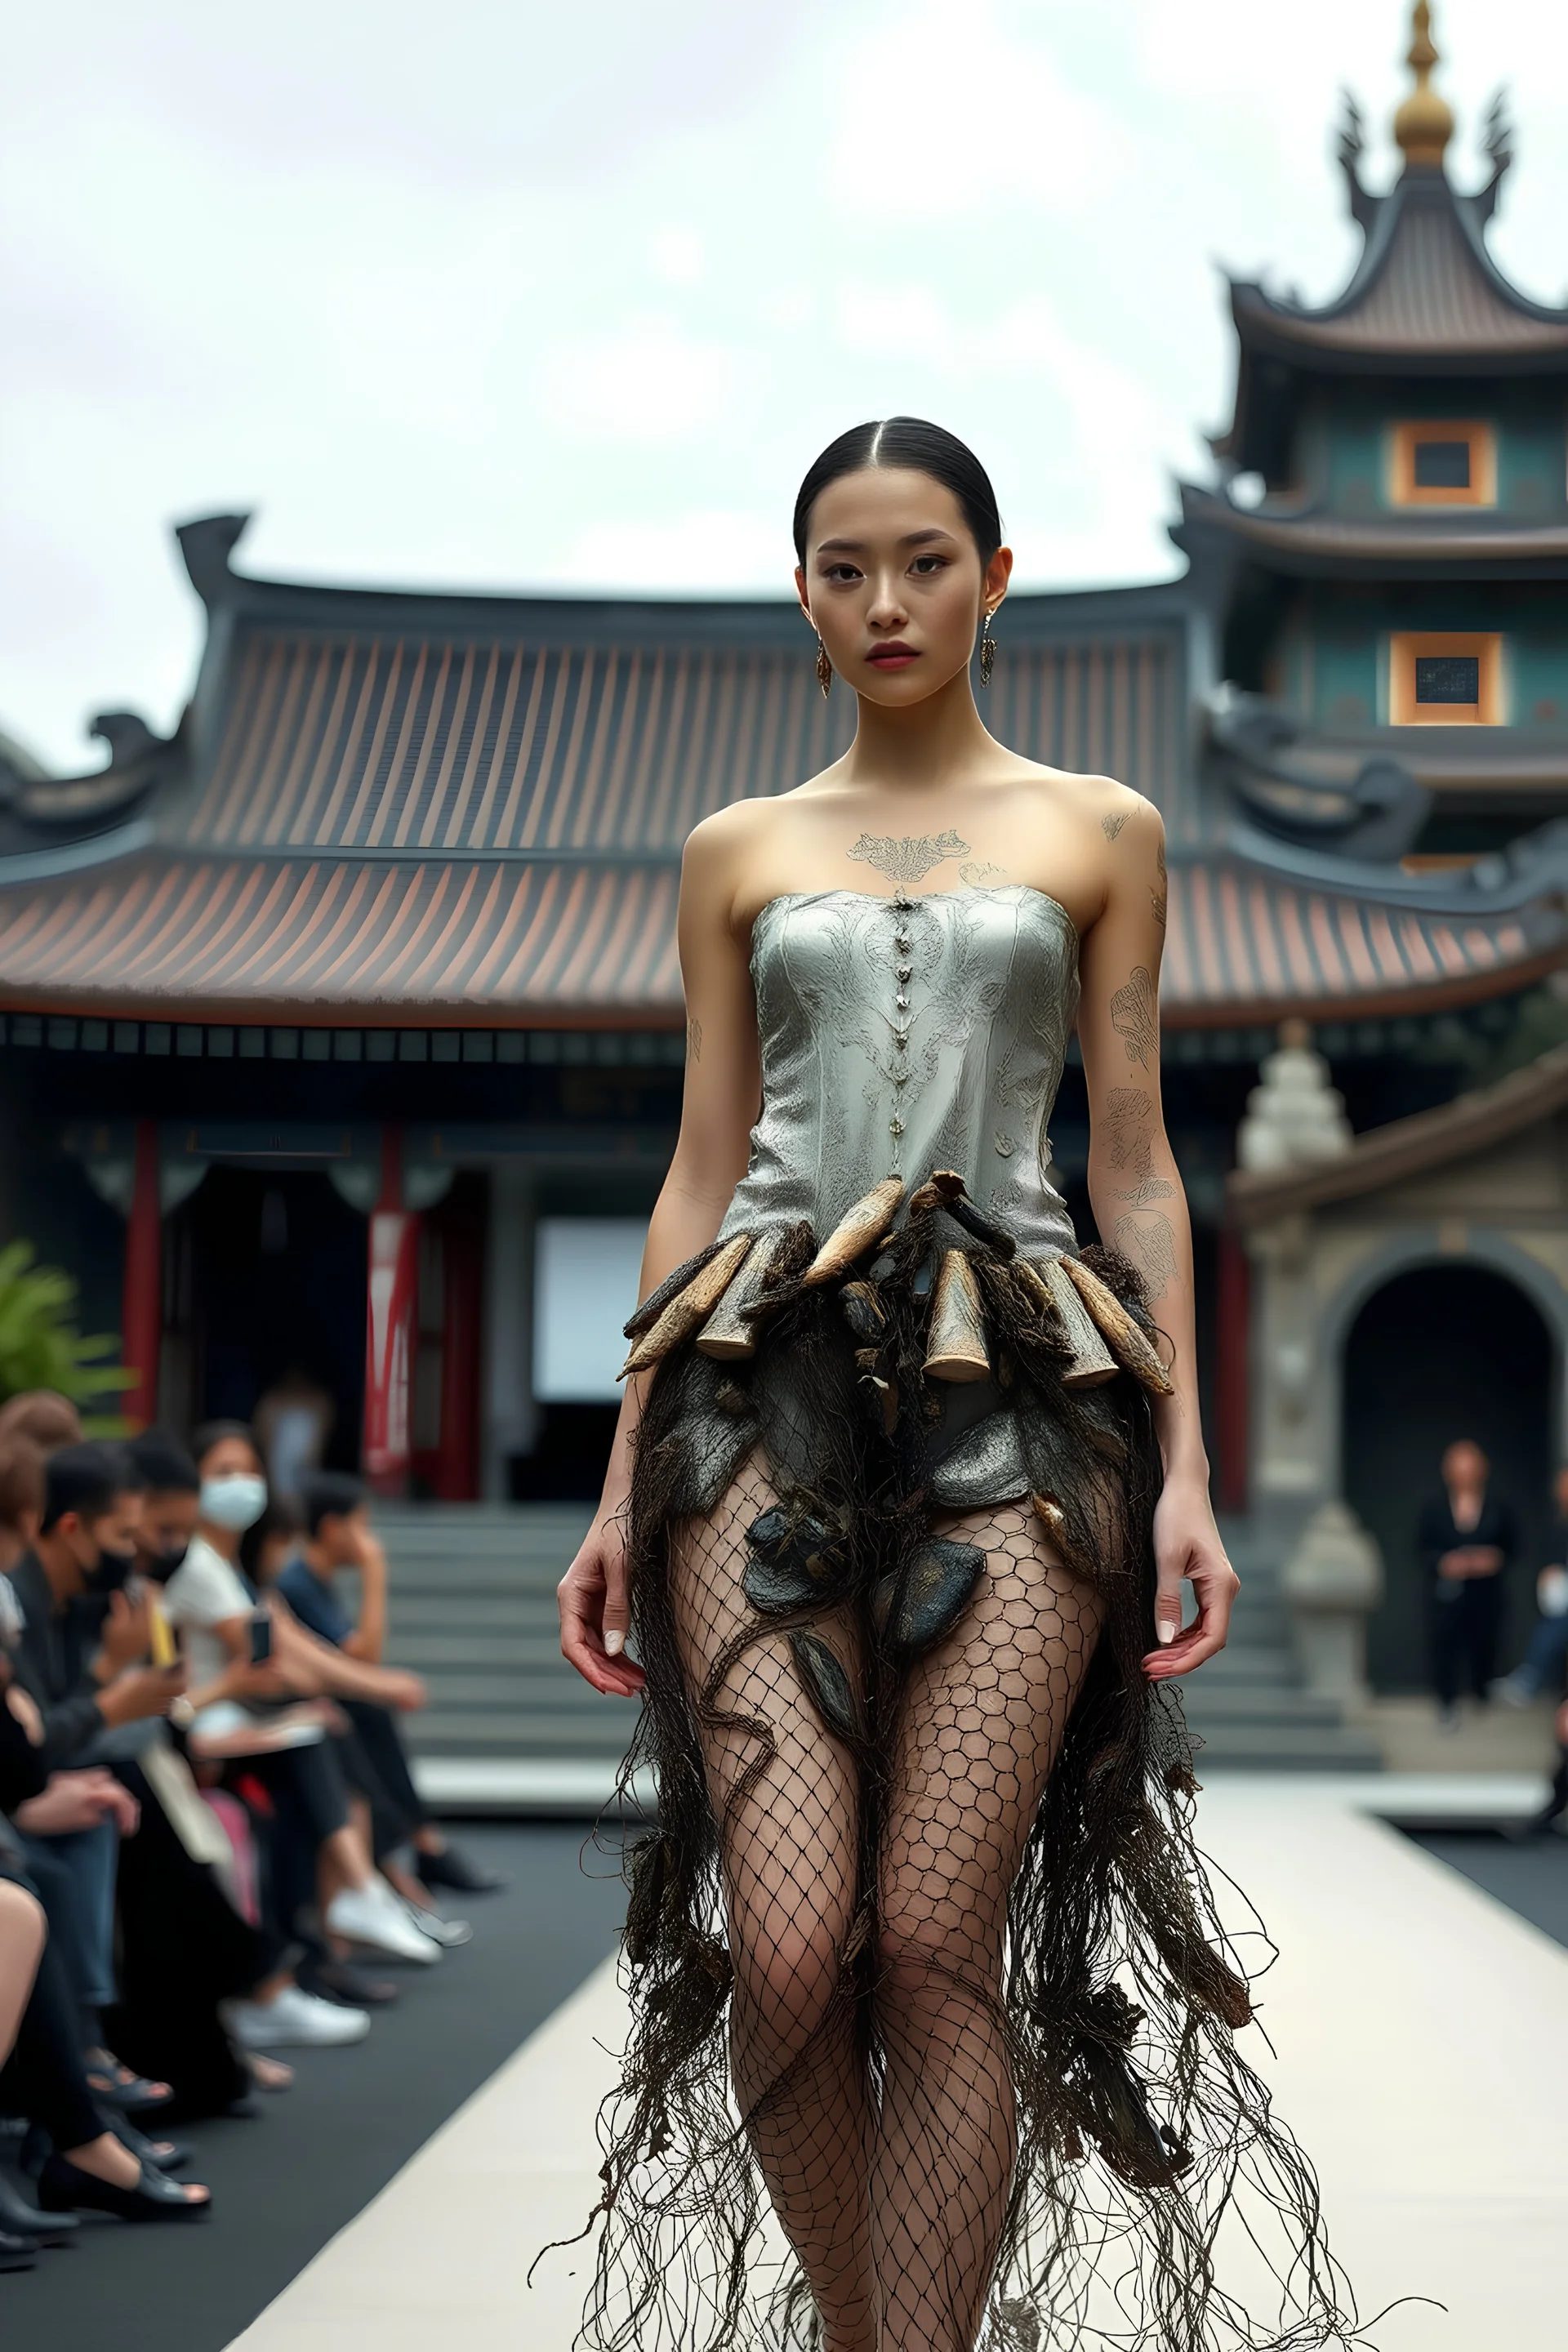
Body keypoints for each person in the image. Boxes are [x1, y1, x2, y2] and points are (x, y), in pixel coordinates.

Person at [555, 421, 1354, 2350]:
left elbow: (1136, 1163)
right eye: (845, 568)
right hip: (752, 1380)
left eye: (925, 560)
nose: (887, 601)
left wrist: (1187, 1463)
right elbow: (698, 1165)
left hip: (1023, 1379)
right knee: (790, 1947)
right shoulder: (734, 849)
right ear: (803, 596)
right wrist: (617, 1475)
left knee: (931, 1936)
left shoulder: (1101, 830)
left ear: (994, 579)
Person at [163, 1425, 441, 1979]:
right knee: (319, 1735)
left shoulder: (232, 1566)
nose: (242, 1484)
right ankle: (361, 1894)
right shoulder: (200, 1565)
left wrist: (372, 1684)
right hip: (205, 1718)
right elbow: (278, 1658)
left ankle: (348, 1916)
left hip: (233, 1714)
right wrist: (376, 1684)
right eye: (223, 1472)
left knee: (330, 1731)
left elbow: (294, 1645)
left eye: (250, 1471)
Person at [275, 1471, 501, 1900]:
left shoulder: (313, 1581)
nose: (368, 1538)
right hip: (302, 1705)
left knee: (371, 1712)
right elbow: (364, 1658)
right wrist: (375, 1572)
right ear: (331, 1527)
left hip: (326, 1702)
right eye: (361, 1524)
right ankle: (414, 1849)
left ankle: (415, 1849)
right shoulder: (297, 1583)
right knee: (366, 1714)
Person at [1419, 1439, 1516, 1731]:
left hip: (1486, 1593)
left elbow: (1512, 1547)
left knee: (1484, 1646)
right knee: (1445, 1646)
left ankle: (1481, 1694)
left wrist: (1491, 1559)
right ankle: (1447, 1703)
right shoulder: (1434, 1507)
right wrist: (1444, 1563)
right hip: (1447, 1593)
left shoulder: (1497, 1507)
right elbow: (1421, 1548)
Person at [1493, 1462, 1568, 1707]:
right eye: (1562, 1488)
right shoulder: (1557, 1527)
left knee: (1559, 1621)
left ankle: (1530, 1678)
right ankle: (1530, 1678)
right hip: (1558, 1602)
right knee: (1556, 1613)